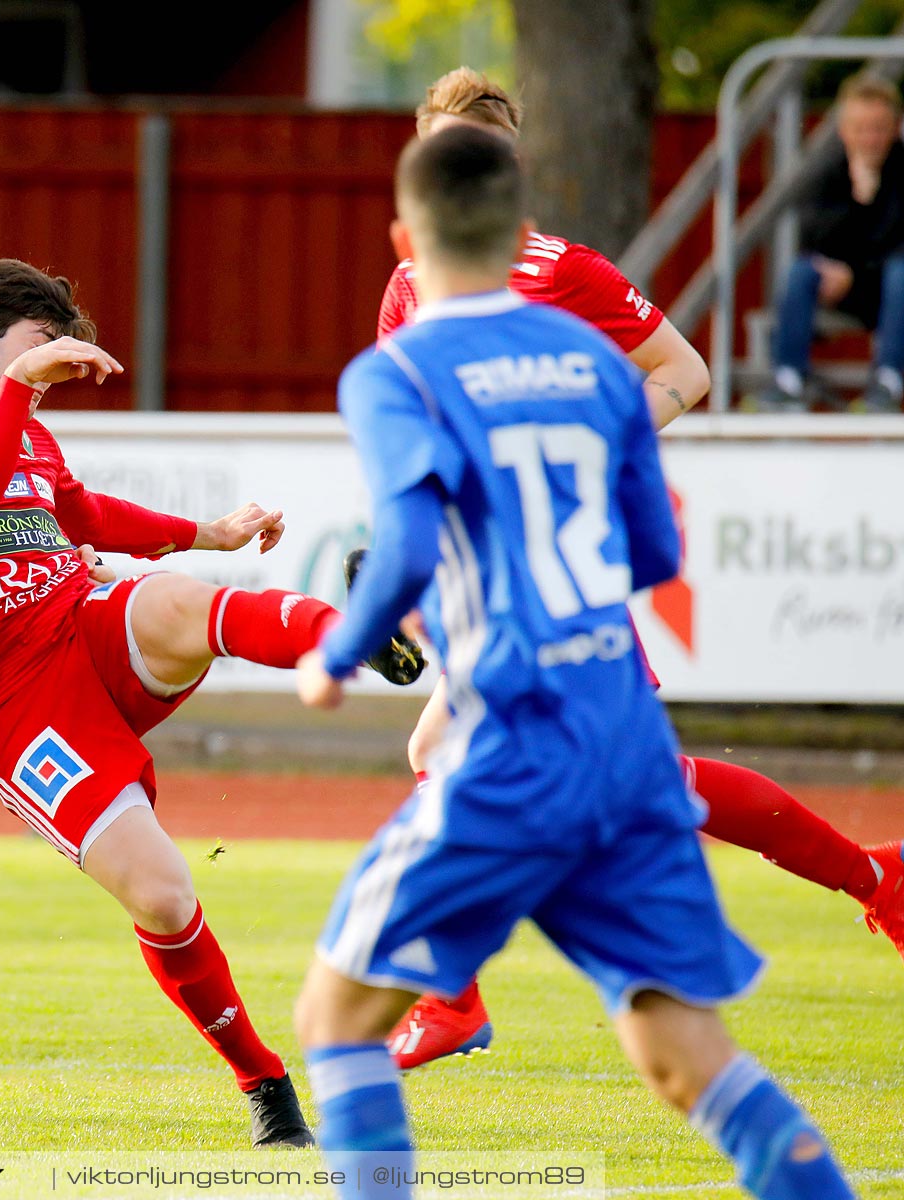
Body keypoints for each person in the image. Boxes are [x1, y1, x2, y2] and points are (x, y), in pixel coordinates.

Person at [294, 124, 857, 1200]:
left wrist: (340, 653)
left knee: (333, 1018)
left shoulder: (395, 370)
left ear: (405, 236)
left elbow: (408, 541)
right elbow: (653, 550)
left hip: (514, 745)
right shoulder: (598, 363)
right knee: (685, 1056)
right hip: (626, 742)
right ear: (520, 234)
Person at [376, 67, 904, 1070]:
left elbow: (686, 375)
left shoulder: (560, 269)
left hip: (549, 561)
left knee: (457, 764)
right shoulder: (408, 281)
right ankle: (877, 878)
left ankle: (452, 999)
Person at [0, 258, 424, 1149]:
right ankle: (265, 1083)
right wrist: (20, 385)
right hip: (13, 708)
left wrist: (210, 533)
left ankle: (357, 629)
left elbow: (81, 513)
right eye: (41, 346)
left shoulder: (31, 432)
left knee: (169, 596)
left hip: (80, 623)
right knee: (164, 896)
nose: (49, 372)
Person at [760, 73, 904, 412]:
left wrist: (858, 272)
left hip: (892, 288)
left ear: (895, 127)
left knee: (901, 273)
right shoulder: (829, 171)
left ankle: (889, 379)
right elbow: (811, 236)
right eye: (860, 128)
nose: (869, 138)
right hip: (842, 288)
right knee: (801, 272)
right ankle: (788, 377)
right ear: (843, 129)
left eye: (878, 127)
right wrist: (857, 197)